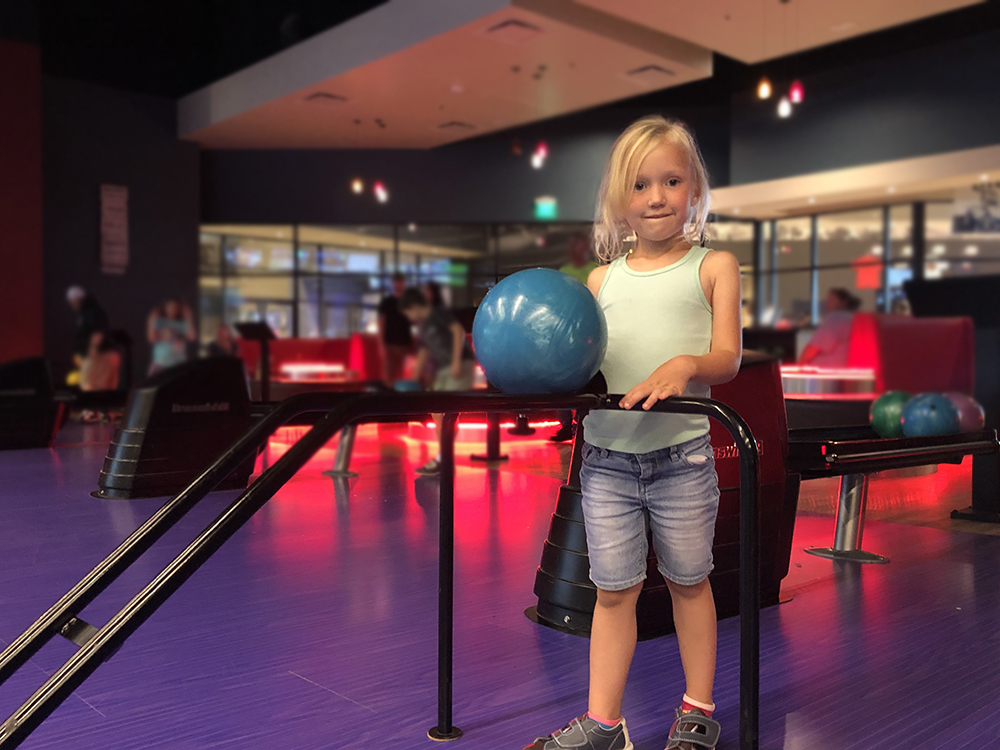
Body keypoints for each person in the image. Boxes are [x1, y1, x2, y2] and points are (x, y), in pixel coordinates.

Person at [524, 116, 742, 750]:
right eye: (642, 184)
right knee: (614, 593)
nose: (656, 197)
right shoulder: (601, 280)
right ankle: (604, 724)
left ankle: (696, 710)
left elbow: (726, 358)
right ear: (621, 198)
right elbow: (585, 363)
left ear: (694, 187)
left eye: (672, 181)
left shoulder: (714, 266)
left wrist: (685, 364)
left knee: (688, 582)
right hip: (607, 462)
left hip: (682, 459)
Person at [398, 287, 475, 476]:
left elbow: (457, 332)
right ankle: (444, 455)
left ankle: (444, 458)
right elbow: (424, 352)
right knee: (437, 414)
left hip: (458, 366)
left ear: (415, 307)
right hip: (443, 370)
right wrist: (416, 377)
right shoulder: (424, 326)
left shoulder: (437, 315)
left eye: (409, 312)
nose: (409, 317)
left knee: (445, 413)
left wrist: (457, 363)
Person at [551, 233, 599, 442]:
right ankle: (565, 426)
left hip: (588, 334)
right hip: (566, 333)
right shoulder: (564, 272)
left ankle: (581, 424)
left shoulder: (594, 271)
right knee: (560, 383)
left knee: (584, 381)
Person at [798, 288, 861, 368]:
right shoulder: (853, 318)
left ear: (843, 302)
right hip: (847, 370)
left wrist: (798, 368)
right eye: (827, 300)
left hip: (827, 373)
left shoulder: (836, 318)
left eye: (831, 300)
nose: (827, 303)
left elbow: (812, 349)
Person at [377, 273, 414, 385]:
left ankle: (402, 396)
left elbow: (414, 321)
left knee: (405, 374)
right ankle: (389, 397)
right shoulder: (387, 302)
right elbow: (381, 324)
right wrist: (381, 345)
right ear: (393, 284)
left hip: (405, 343)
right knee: (389, 374)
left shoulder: (409, 302)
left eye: (401, 282)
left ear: (403, 284)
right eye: (396, 282)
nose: (398, 285)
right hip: (390, 343)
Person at [66, 286, 109, 380]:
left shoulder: (92, 313)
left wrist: (91, 355)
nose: (71, 305)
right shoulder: (85, 313)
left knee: (90, 386)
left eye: (72, 302)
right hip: (90, 358)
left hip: (95, 358)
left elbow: (98, 333)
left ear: (77, 300)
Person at [147, 298, 196, 376]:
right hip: (161, 364)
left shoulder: (182, 324)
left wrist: (188, 315)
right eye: (170, 306)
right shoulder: (160, 322)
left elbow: (192, 337)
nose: (172, 309)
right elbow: (151, 338)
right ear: (165, 307)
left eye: (175, 307)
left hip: (178, 364)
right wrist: (152, 317)